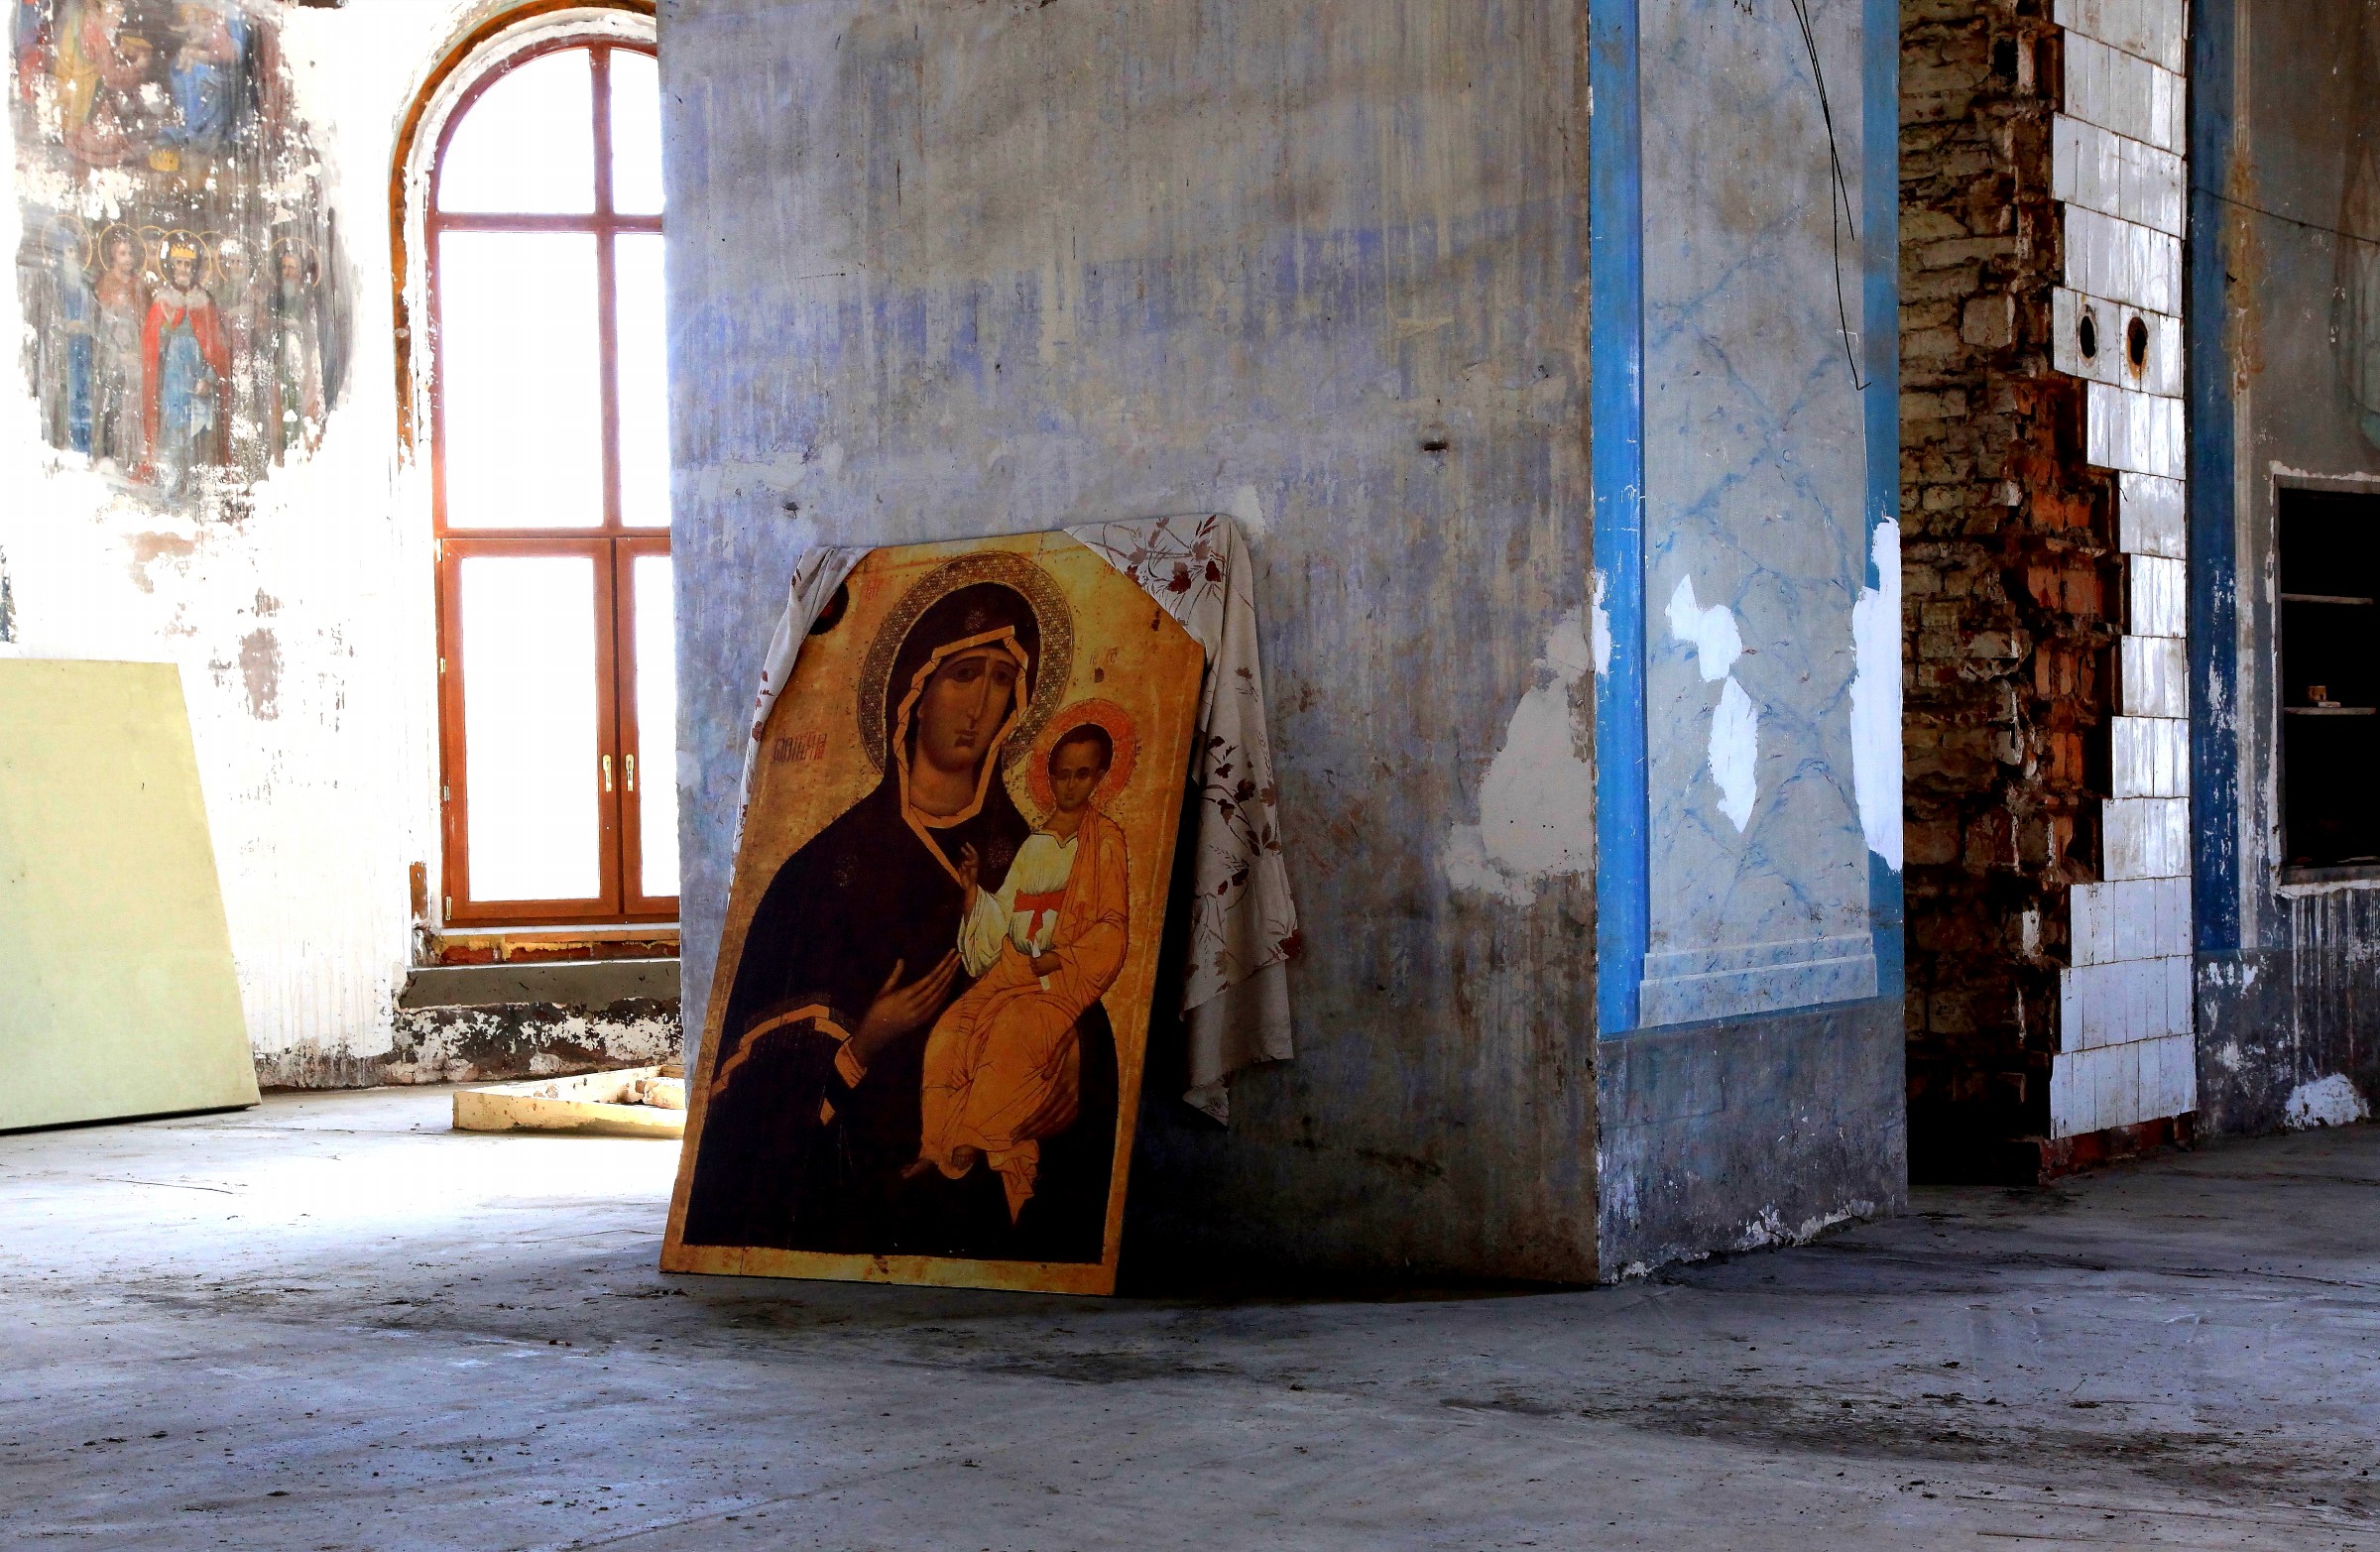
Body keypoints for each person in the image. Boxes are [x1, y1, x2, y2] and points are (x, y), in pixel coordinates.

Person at [682, 578, 1118, 1262]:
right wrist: (865, 1041)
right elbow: (748, 1105)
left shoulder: (1033, 853)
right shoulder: (819, 873)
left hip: (992, 1183)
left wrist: (1077, 1052)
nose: (980, 705)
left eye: (1002, 679)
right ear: (914, 692)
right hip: (857, 1189)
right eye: (963, 674)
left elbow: (1083, 976)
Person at [913, 723, 1129, 1226]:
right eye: (1061, 775)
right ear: (1049, 777)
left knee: (1013, 1031)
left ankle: (975, 1136)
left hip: (1058, 977)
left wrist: (1064, 956)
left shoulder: (1105, 842)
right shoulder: (1035, 844)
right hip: (1012, 969)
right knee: (950, 1031)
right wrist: (973, 893)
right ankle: (935, 1142)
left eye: (1081, 775)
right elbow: (1006, 912)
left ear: (1099, 777)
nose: (1070, 785)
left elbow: (1113, 926)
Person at [142, 235, 228, 488]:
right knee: (174, 429)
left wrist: (209, 377)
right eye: (179, 263)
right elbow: (152, 343)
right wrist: (167, 327)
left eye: (188, 264)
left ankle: (196, 487)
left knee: (199, 431)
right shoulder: (163, 300)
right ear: (171, 266)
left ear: (194, 268)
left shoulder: (205, 301)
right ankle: (172, 487)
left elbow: (217, 345)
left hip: (198, 373)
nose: (183, 269)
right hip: (173, 377)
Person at [89, 226, 147, 472]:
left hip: (134, 354)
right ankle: (108, 454)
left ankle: (130, 456)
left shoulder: (139, 285)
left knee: (132, 406)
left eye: (131, 254)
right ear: (113, 255)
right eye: (123, 253)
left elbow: (145, 323)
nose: (128, 259)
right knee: (111, 404)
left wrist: (138, 351)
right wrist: (119, 353)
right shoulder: (105, 283)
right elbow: (101, 326)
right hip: (112, 355)